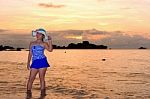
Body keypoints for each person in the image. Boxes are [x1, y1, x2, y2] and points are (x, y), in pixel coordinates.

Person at [26, 28, 53, 98]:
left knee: (41, 79)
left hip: (42, 62)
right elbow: (30, 54)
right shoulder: (32, 43)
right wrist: (28, 63)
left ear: (43, 36)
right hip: (34, 62)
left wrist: (50, 41)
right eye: (37, 33)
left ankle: (42, 95)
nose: (37, 35)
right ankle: (28, 95)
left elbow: (50, 50)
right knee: (31, 79)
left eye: (39, 34)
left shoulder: (44, 43)